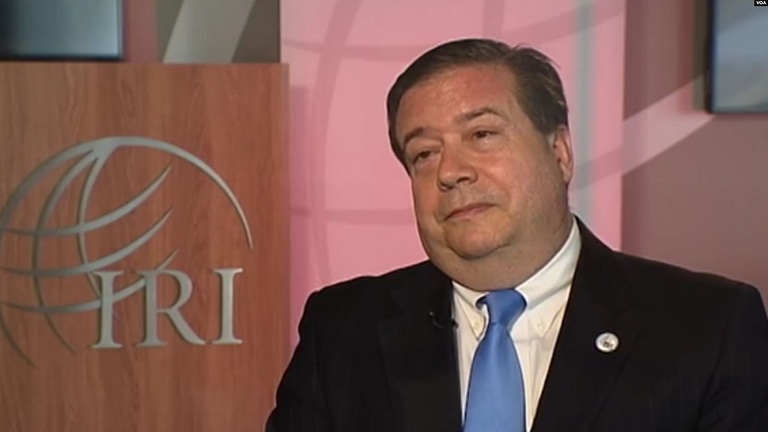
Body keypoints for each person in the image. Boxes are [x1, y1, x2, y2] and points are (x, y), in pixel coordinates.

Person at [266, 38, 768, 432]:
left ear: (560, 152)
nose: (451, 172)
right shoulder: (344, 332)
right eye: (424, 153)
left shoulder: (708, 330)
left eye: (482, 134)